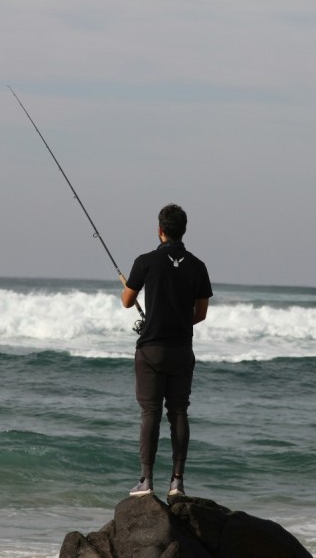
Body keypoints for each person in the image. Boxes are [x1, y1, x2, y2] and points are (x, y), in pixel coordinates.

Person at [120, 203, 212, 498]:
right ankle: (177, 481)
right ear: (182, 230)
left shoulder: (145, 261)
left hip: (151, 349)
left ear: (159, 230)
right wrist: (178, 318)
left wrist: (127, 285)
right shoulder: (198, 266)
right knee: (179, 412)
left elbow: (126, 300)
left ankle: (146, 481)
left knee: (150, 412)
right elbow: (201, 314)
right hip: (182, 350)